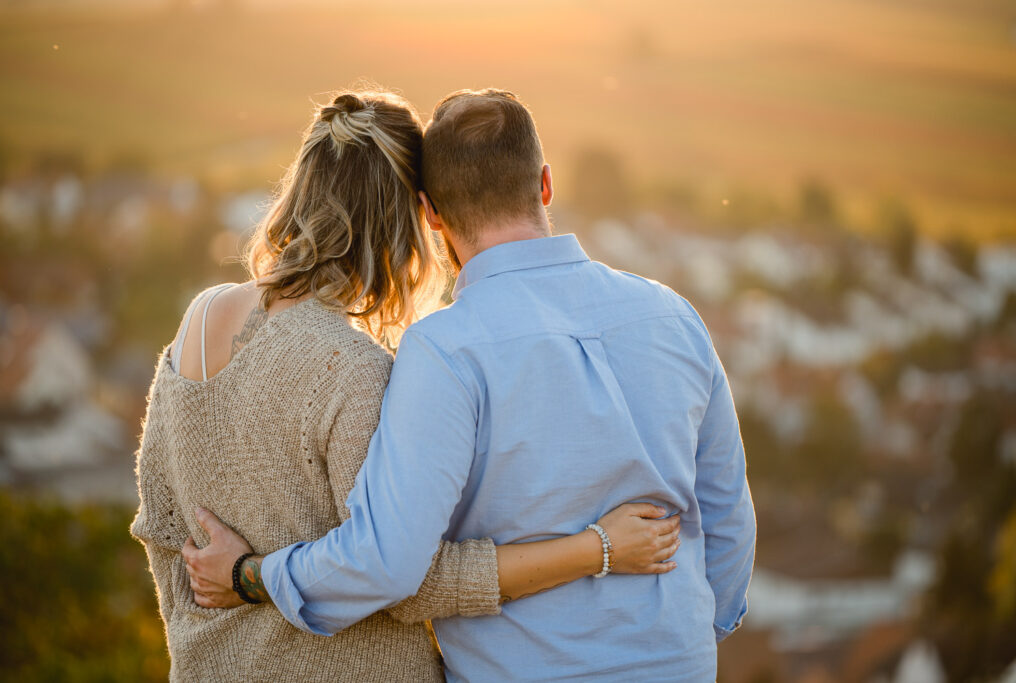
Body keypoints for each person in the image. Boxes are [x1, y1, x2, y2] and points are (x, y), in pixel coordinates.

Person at [185, 88, 754, 682]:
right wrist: (684, 640)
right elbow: (728, 518)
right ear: (545, 184)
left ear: (430, 214)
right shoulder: (673, 316)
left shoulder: (443, 351)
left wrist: (250, 576)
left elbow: (388, 561)